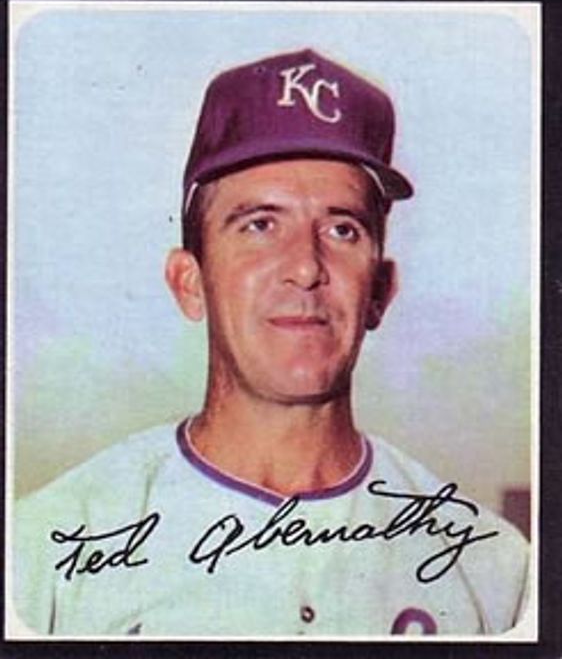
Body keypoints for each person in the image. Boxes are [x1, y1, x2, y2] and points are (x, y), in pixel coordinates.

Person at [13, 48, 529, 637]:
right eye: (260, 225)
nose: (305, 267)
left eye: (342, 229)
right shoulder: (46, 550)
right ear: (189, 282)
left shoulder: (494, 569)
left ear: (380, 290)